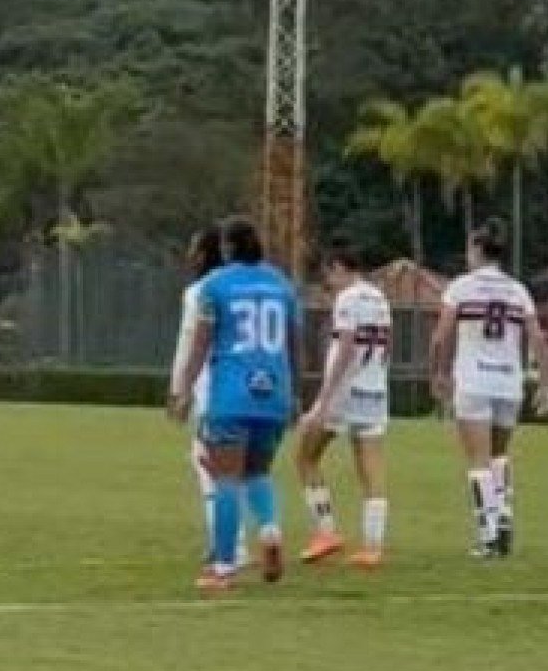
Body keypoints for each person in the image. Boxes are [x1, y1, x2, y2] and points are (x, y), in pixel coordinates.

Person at [168, 217, 302, 596]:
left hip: (231, 393)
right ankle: (271, 530)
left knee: (224, 476)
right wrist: (295, 395)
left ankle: (223, 567)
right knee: (257, 472)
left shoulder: (216, 286)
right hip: (274, 393)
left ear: (227, 249)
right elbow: (295, 345)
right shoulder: (282, 285)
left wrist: (183, 388)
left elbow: (200, 344)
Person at [430, 219, 548, 558]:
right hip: (508, 382)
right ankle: (504, 515)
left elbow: (441, 335)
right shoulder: (517, 290)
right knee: (499, 454)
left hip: (473, 380)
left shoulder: (461, 287)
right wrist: (545, 384)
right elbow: (539, 340)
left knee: (478, 459)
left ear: (477, 250)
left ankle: (488, 532)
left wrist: (439, 372)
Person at [297, 245, 393, 570]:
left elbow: (347, 346)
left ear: (338, 266)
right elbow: (388, 344)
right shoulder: (379, 298)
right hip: (375, 389)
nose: (328, 280)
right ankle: (373, 546)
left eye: (329, 272)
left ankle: (326, 532)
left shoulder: (348, 299)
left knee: (306, 456)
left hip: (345, 391)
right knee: (371, 468)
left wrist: (323, 400)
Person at [169, 226, 249, 569]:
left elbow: (189, 344)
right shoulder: (243, 286)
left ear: (204, 253)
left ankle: (229, 544)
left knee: (208, 461)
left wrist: (178, 390)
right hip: (245, 384)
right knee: (234, 465)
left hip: (213, 388)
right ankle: (236, 539)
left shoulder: (199, 292)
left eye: (193, 249)